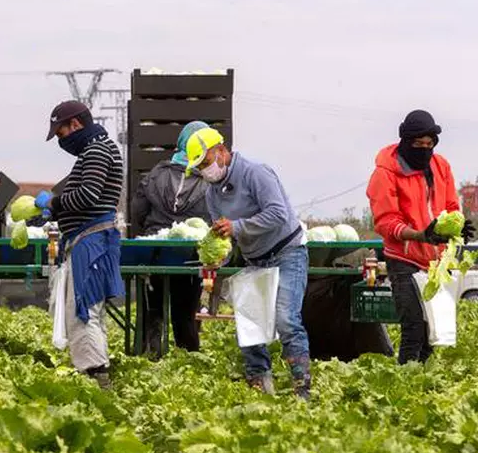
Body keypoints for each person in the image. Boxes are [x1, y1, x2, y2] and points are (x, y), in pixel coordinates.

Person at [186, 127, 312, 399]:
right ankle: (259, 384)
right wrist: (218, 254)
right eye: (199, 168)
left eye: (206, 163)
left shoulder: (255, 173)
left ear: (221, 151)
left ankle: (302, 387)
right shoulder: (212, 193)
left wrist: (237, 226)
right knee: (250, 321)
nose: (205, 171)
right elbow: (225, 233)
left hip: (287, 251)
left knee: (286, 319)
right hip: (255, 258)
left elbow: (278, 214)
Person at [366, 109, 474, 364]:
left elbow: (450, 206)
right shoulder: (386, 172)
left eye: (429, 145)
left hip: (435, 261)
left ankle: (422, 376)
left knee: (431, 329)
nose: (425, 150)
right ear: (406, 142)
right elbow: (386, 220)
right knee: (413, 325)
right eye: (418, 145)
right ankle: (407, 377)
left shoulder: (440, 166)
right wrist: (420, 235)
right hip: (403, 259)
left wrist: (456, 228)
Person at [34, 100, 125, 389]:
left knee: (83, 311)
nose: (62, 141)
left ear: (75, 124)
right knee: (89, 311)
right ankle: (97, 376)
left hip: (92, 241)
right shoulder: (94, 150)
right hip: (90, 239)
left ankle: (96, 379)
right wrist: (56, 212)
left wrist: (55, 203)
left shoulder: (97, 150)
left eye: (61, 133)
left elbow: (88, 195)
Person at [130, 120, 211, 354]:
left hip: (154, 255)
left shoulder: (157, 173)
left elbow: (138, 211)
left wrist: (153, 230)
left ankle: (149, 355)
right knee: (185, 315)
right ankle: (188, 360)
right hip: (189, 257)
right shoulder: (207, 181)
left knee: (151, 311)